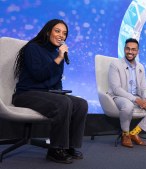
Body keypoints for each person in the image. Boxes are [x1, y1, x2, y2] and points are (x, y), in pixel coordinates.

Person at [12, 19, 88, 164]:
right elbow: (38, 75)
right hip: (26, 94)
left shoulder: (56, 53)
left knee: (81, 104)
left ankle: (69, 147)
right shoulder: (33, 48)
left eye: (64, 33)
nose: (61, 36)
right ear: (48, 32)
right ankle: (55, 149)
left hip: (47, 94)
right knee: (63, 103)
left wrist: (59, 92)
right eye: (57, 31)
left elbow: (56, 80)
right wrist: (59, 58)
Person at [108, 38, 146, 148]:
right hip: (119, 96)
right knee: (128, 106)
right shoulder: (115, 64)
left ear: (137, 51)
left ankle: (134, 133)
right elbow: (116, 89)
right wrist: (136, 100)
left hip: (137, 97)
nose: (130, 52)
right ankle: (125, 134)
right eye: (128, 49)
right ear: (124, 49)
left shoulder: (140, 67)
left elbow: (144, 87)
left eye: (133, 49)